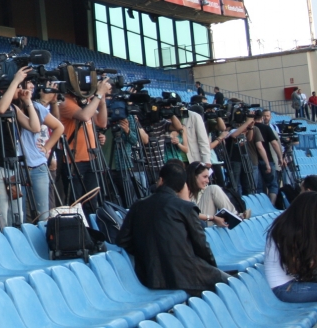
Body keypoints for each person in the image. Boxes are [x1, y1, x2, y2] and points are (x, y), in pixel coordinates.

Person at [116, 160, 230, 297]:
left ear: (161, 180)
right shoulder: (185, 207)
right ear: (183, 186)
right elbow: (201, 245)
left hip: (149, 277)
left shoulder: (137, 206)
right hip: (187, 276)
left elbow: (123, 240)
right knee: (233, 285)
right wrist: (211, 268)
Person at [0, 67, 41, 229]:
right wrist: (15, 81)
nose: (20, 90)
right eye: (18, 87)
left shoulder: (13, 108)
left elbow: (34, 127)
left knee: (16, 215)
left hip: (13, 169)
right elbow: (0, 109)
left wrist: (28, 103)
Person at [57, 75, 112, 212]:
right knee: (77, 203)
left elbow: (102, 123)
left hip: (91, 159)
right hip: (73, 161)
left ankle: (92, 230)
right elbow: (84, 116)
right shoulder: (65, 102)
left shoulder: (86, 102)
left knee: (92, 202)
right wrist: (98, 95)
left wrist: (102, 101)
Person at [264, 192, 317, 302]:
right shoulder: (287, 233)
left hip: (292, 283)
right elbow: (295, 269)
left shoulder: (292, 227)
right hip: (284, 288)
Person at [25, 83, 64, 221]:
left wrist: (47, 148)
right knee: (29, 211)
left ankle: (50, 234)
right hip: (27, 161)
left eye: (31, 87)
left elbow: (57, 126)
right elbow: (35, 127)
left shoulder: (40, 107)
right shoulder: (27, 106)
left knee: (47, 210)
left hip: (41, 160)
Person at [186, 162, 239, 227]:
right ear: (194, 176)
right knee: (213, 188)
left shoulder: (202, 189)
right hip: (193, 226)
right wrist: (212, 218)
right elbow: (189, 213)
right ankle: (235, 217)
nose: (208, 181)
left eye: (208, 177)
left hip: (202, 223)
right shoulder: (183, 189)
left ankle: (234, 216)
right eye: (205, 177)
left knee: (213, 188)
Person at [254, 109, 284, 205]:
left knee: (259, 186)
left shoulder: (251, 129)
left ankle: (262, 205)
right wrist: (280, 157)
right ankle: (272, 204)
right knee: (273, 185)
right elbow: (274, 144)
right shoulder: (266, 128)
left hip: (254, 160)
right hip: (268, 160)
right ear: (262, 117)